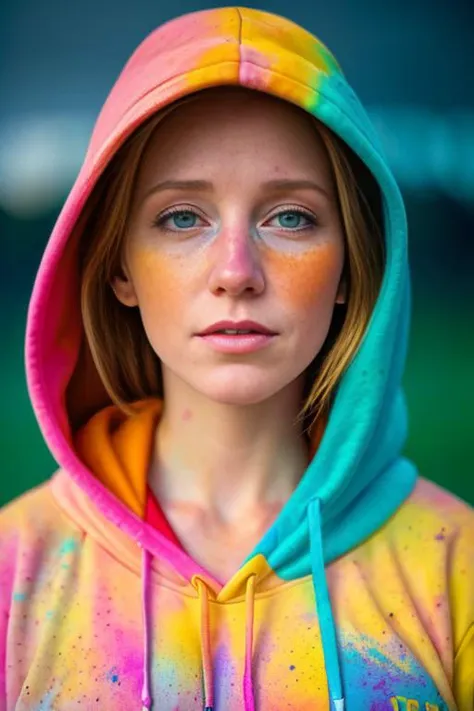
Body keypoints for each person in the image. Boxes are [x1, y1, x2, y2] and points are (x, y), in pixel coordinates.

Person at [0, 6, 472, 710]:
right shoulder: (14, 569)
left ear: (352, 268)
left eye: (291, 216)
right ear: (118, 266)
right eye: (182, 216)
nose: (236, 270)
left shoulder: (455, 566)